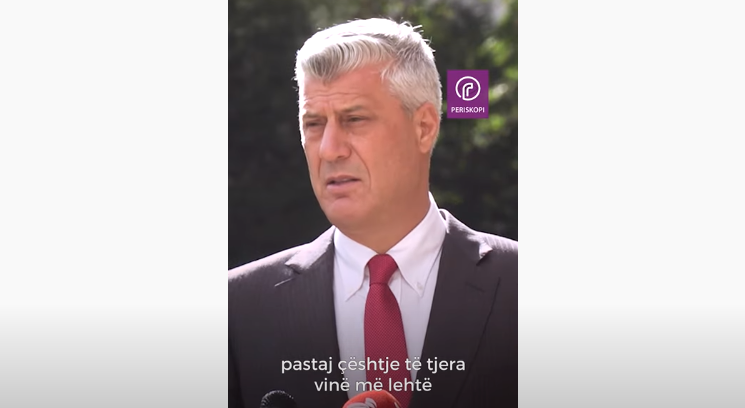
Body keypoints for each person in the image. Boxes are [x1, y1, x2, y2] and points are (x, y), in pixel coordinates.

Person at [229, 18, 517, 408]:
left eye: (354, 120)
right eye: (314, 124)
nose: (329, 149)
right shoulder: (236, 309)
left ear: (424, 127)